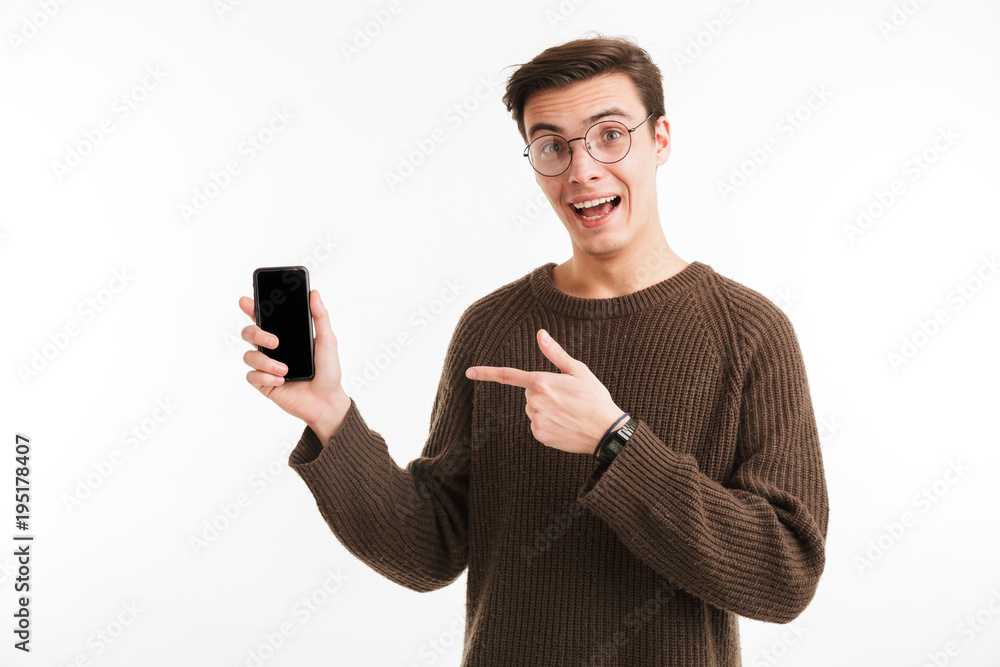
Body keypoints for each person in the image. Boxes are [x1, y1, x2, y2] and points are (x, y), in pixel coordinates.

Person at [238, 34, 829, 666]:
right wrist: (331, 416)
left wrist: (617, 441)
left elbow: (784, 576)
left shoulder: (751, 331)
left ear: (659, 139)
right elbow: (432, 550)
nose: (582, 170)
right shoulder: (491, 325)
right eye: (552, 146)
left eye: (609, 135)